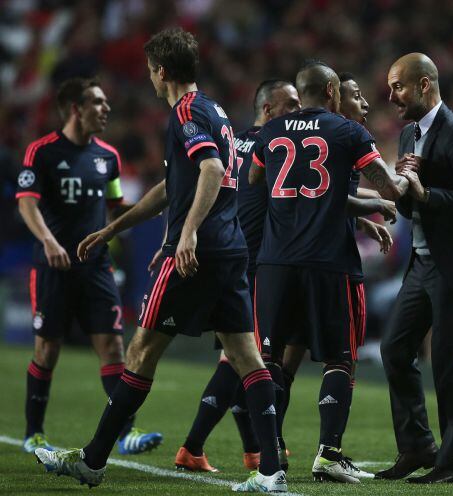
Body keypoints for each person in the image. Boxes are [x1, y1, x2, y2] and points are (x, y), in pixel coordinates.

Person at [34, 28, 287, 493]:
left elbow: (210, 169)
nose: (150, 78)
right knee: (248, 358)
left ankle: (91, 461)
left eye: (151, 70)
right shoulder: (216, 110)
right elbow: (175, 187)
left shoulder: (186, 111)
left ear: (162, 71)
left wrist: (185, 234)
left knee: (141, 350)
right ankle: (271, 471)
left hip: (199, 252)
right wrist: (115, 228)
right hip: (230, 250)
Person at [249, 60, 408, 484]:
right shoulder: (348, 132)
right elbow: (390, 189)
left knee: (269, 359)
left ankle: (269, 460)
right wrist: (407, 176)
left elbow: (255, 178)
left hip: (276, 262)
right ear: (333, 90)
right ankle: (329, 453)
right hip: (328, 262)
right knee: (340, 358)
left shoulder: (270, 131)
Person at [16, 77, 161, 455]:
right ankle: (34, 432)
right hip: (53, 266)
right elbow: (27, 202)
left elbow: (115, 207)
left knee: (114, 347)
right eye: (97, 102)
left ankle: (125, 431)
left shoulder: (108, 157)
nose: (106, 108)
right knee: (47, 350)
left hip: (96, 266)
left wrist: (159, 202)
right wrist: (48, 241)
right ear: (75, 108)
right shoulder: (42, 152)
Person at [376, 53, 453, 484]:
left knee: (448, 361)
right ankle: (417, 448)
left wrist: (427, 195)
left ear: (425, 85)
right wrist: (402, 194)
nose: (391, 95)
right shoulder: (410, 133)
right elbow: (415, 201)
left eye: (398, 86)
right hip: (424, 261)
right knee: (394, 348)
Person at [174, 80, 300, 473]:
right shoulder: (278, 148)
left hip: (230, 255)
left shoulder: (233, 142)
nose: (297, 113)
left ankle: (252, 449)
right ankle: (197, 446)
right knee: (247, 358)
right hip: (257, 261)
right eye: (289, 105)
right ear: (266, 108)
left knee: (242, 355)